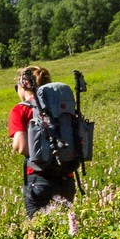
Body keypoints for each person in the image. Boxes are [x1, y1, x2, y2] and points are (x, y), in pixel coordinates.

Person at [8, 66, 76, 218]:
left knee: (38, 234)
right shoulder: (61, 107)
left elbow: (21, 146)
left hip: (39, 178)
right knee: (64, 229)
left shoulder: (20, 110)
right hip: (67, 176)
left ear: (24, 83)